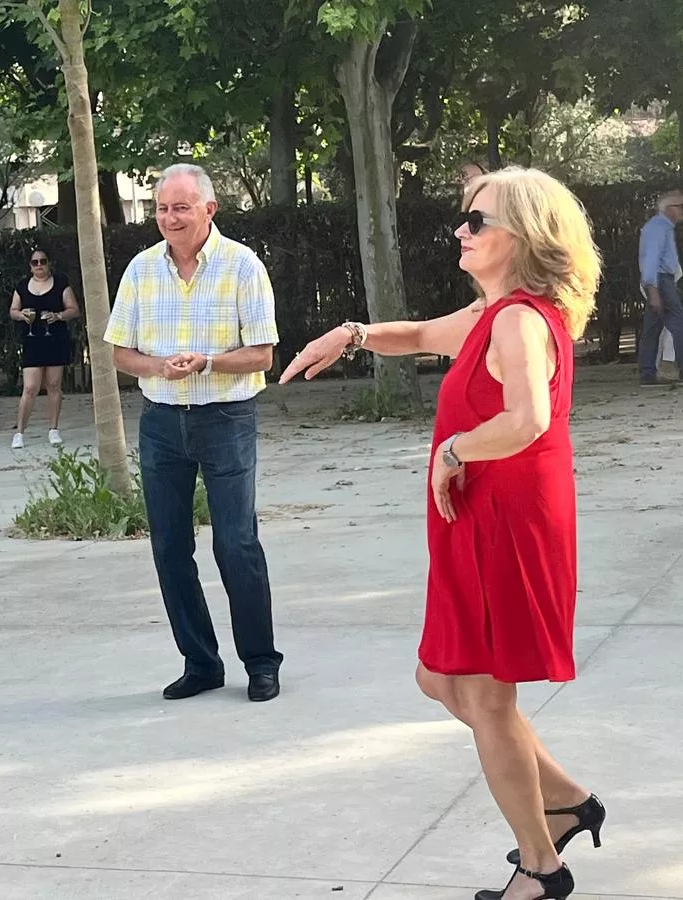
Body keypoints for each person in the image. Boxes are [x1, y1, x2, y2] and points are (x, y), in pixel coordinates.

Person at [282, 167, 603, 900]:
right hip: (477, 520)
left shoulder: (522, 320)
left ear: (520, 237)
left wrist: (454, 452)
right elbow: (424, 334)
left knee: (488, 700)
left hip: (507, 525)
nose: (461, 230)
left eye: (477, 222)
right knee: (440, 677)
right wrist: (354, 334)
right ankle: (567, 802)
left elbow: (527, 421)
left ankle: (542, 865)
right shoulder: (495, 312)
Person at [104, 163, 283, 704]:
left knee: (236, 543)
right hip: (161, 421)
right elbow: (118, 351)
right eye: (161, 207)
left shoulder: (242, 266)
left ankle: (260, 662)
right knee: (169, 548)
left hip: (225, 418)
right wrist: (158, 369)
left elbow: (263, 353)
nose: (168, 217)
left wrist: (205, 364)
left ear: (210, 210)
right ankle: (201, 663)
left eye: (181, 207)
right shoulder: (140, 269)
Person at [9, 249, 79, 449]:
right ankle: (19, 433)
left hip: (55, 339)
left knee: (54, 385)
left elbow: (74, 309)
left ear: (49, 263)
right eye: (35, 262)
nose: (39, 265)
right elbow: (13, 310)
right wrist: (22, 315)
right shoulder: (22, 286)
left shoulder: (60, 284)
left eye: (43, 261)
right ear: (30, 266)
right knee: (30, 388)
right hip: (32, 340)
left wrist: (58, 316)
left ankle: (54, 429)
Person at [638, 189, 683, 387]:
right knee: (679, 323)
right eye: (681, 206)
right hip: (661, 280)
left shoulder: (660, 227)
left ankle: (647, 372)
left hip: (659, 280)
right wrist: (653, 290)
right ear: (668, 209)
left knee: (652, 327)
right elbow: (651, 261)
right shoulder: (658, 228)